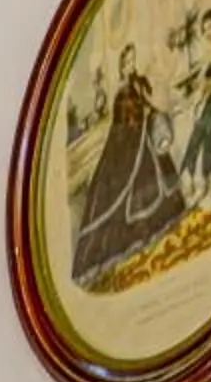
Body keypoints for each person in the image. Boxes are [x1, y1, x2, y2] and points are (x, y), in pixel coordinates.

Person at [70, 41, 187, 288]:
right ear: (121, 67)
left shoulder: (139, 84)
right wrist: (141, 122)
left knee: (156, 179)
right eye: (126, 62)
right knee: (130, 187)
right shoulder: (122, 94)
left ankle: (163, 221)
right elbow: (124, 122)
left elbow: (144, 106)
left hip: (145, 140)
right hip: (129, 147)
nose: (130, 65)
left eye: (132, 60)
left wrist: (155, 114)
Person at [177, 8, 211, 205]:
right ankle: (190, 176)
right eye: (205, 28)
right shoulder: (206, 52)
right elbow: (199, 77)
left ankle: (210, 183)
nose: (208, 31)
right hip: (205, 98)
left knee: (208, 140)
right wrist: (195, 85)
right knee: (199, 136)